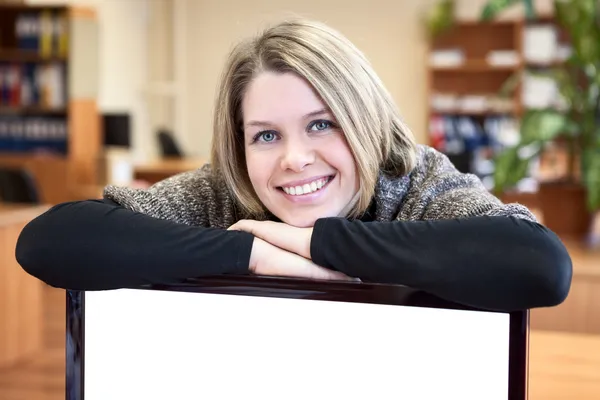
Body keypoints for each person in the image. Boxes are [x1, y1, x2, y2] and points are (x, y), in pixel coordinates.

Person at [16, 19, 572, 312]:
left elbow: (537, 265)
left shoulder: (416, 181)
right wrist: (254, 252)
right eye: (265, 135)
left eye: (321, 123)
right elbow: (51, 241)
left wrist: (320, 247)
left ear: (364, 120)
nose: (293, 158)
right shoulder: (221, 193)